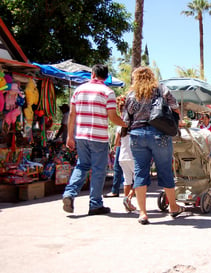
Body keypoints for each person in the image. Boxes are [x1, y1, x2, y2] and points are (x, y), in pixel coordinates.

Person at [62, 64, 127, 215]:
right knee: (98, 170)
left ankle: (69, 194)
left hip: (81, 136)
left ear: (92, 74)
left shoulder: (79, 90)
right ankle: (95, 204)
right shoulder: (108, 92)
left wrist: (70, 136)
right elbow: (112, 117)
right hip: (99, 137)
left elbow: (72, 115)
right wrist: (127, 124)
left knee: (82, 165)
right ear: (106, 77)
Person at [124, 66, 183, 225]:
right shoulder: (160, 89)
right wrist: (177, 121)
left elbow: (126, 119)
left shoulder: (131, 94)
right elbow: (175, 106)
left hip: (137, 135)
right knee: (165, 170)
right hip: (159, 134)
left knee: (140, 172)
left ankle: (143, 213)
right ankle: (173, 207)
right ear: (151, 77)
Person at [103, 96, 126, 198]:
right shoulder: (131, 118)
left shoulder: (121, 119)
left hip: (122, 146)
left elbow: (118, 135)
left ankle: (115, 190)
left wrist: (115, 146)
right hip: (131, 145)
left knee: (117, 168)